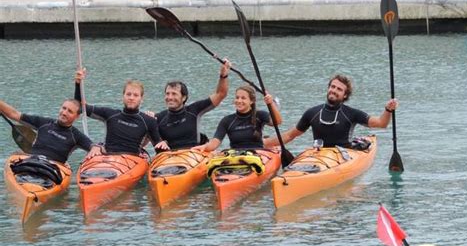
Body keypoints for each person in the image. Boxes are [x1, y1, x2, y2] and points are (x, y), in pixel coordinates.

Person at [264, 74, 399, 149]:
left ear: (345, 95)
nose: (334, 90)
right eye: (332, 86)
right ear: (328, 88)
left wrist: (388, 109)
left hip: (344, 155)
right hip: (319, 155)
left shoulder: (351, 113)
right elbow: (290, 135)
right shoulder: (312, 113)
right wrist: (263, 144)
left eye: (339, 89)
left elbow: (381, 123)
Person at [74, 70, 162, 157]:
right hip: (108, 158)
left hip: (132, 161)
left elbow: (158, 147)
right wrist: (78, 84)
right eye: (128, 94)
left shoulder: (148, 121)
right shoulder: (110, 114)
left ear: (141, 98)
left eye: (135, 95)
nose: (131, 98)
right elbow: (80, 107)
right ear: (123, 96)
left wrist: (164, 144)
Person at [153, 60, 231, 151]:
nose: (169, 97)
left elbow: (221, 94)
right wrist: (149, 120)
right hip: (169, 158)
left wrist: (223, 75)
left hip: (193, 155)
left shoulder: (194, 110)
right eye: (167, 93)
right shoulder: (159, 117)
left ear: (183, 98)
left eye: (174, 94)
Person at [0, 98, 95, 164]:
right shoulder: (44, 123)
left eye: (70, 111)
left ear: (77, 116)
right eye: (63, 108)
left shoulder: (76, 136)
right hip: (32, 161)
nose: (64, 112)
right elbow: (14, 114)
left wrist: (95, 148)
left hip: (53, 168)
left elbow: (94, 147)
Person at [193, 85, 281, 152]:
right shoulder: (227, 120)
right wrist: (205, 147)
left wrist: (271, 104)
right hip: (235, 156)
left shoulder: (260, 115)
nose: (239, 101)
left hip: (257, 155)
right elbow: (215, 142)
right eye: (237, 97)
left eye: (243, 98)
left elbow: (277, 121)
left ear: (251, 101)